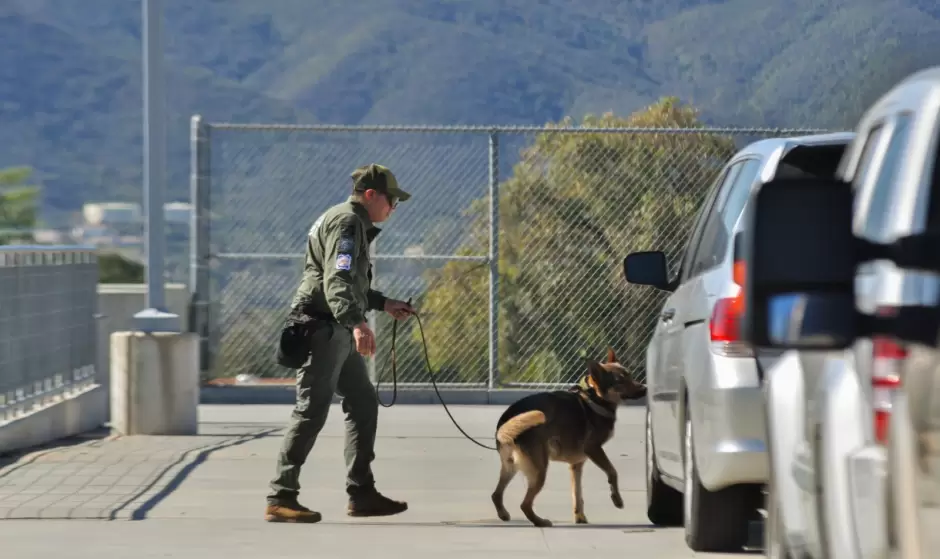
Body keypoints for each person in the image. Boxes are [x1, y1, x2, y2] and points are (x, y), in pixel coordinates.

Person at [264, 163, 416, 523]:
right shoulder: (347, 224)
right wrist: (358, 323)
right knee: (311, 412)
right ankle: (280, 496)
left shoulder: (349, 221)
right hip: (325, 329)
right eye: (391, 200)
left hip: (337, 328)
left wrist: (382, 303)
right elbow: (336, 281)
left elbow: (349, 283)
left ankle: (361, 493)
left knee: (363, 403)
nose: (393, 207)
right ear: (370, 195)